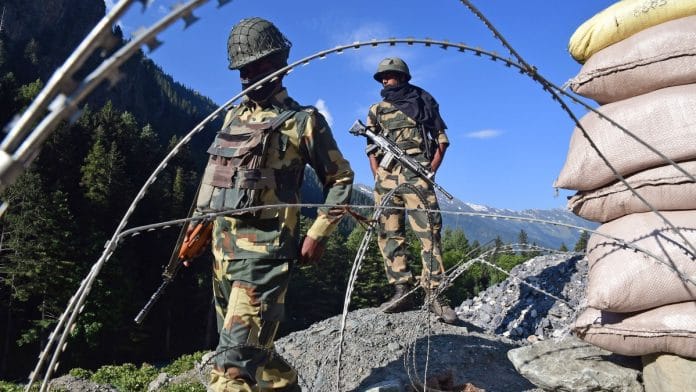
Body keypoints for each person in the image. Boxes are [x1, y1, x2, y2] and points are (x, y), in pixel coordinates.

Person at [193, 17, 354, 392]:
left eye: (259, 66)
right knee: (253, 352)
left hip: (266, 258)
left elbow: (341, 179)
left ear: (280, 64)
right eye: (244, 69)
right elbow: (214, 177)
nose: (250, 76)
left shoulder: (303, 122)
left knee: (231, 367)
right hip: (223, 255)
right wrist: (198, 225)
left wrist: (318, 233)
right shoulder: (232, 118)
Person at [364, 57, 457, 324]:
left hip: (417, 172)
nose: (385, 80)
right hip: (387, 176)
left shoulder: (424, 104)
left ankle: (434, 294)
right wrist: (378, 174)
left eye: (390, 76)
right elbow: (370, 146)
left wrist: (430, 170)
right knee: (388, 232)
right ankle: (401, 290)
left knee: (429, 231)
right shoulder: (376, 110)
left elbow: (442, 141)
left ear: (402, 77)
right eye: (382, 76)